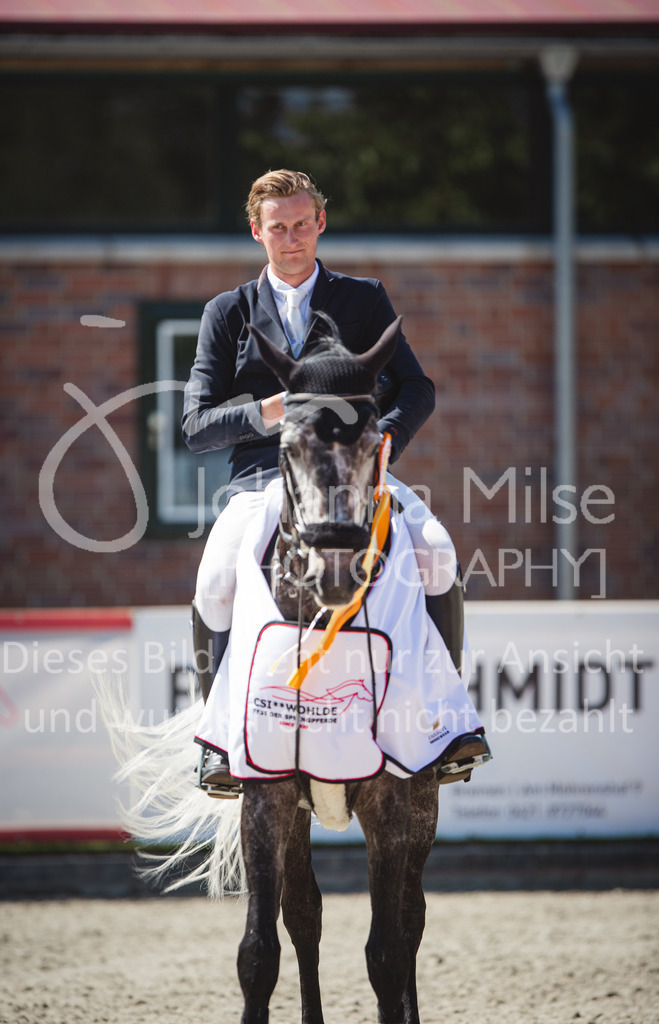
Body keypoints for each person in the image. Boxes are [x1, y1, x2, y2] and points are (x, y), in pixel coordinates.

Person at [183, 169, 490, 795]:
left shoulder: (364, 298)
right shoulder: (227, 313)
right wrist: (266, 412)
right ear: (256, 232)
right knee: (215, 580)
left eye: (302, 225)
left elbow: (416, 388)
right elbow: (194, 425)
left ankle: (445, 722)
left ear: (320, 224)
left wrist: (386, 444)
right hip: (266, 479)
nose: (291, 238)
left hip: (356, 473)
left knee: (435, 553)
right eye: (278, 228)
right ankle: (219, 743)